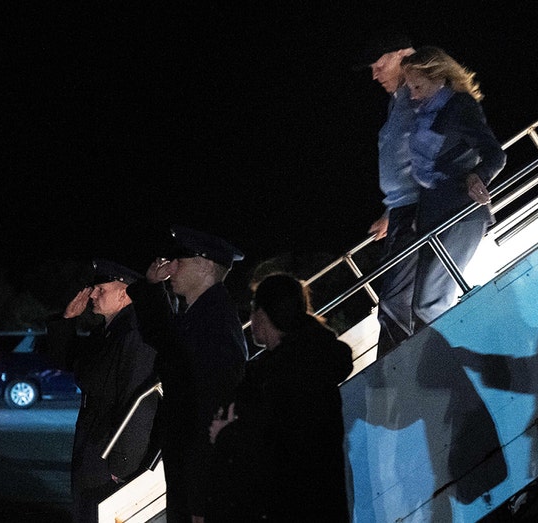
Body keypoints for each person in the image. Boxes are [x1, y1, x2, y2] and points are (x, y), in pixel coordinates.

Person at [208, 273, 353, 522]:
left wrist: (226, 435)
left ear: (263, 315)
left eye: (253, 310)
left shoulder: (280, 377)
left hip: (289, 508)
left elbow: (276, 449)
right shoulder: (314, 360)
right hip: (324, 504)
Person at [127, 226, 248, 523]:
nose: (172, 265)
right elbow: (164, 340)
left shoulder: (215, 322)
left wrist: (202, 501)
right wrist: (151, 287)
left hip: (198, 477)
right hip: (187, 467)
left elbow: (213, 412)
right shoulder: (200, 313)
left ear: (206, 266)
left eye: (182, 257)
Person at [401, 45, 506, 328]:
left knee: (428, 304)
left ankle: (455, 359)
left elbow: (496, 154)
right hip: (434, 216)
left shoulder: (460, 106)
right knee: (422, 303)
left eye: (417, 85)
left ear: (439, 76)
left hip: (459, 213)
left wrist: (478, 176)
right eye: (410, 87)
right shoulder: (426, 114)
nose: (413, 94)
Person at [47, 259, 160, 523]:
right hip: (94, 443)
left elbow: (139, 399)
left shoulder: (135, 333)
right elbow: (67, 362)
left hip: (108, 451)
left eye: (102, 289)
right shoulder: (108, 332)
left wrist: (124, 463)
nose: (93, 294)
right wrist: (67, 321)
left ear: (125, 293)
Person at [355, 33, 420, 357]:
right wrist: (389, 211)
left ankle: (395, 369)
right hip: (401, 208)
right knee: (395, 297)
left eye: (380, 65)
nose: (374, 74)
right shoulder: (399, 96)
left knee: (396, 300)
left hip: (413, 208)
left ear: (402, 54)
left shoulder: (422, 89)